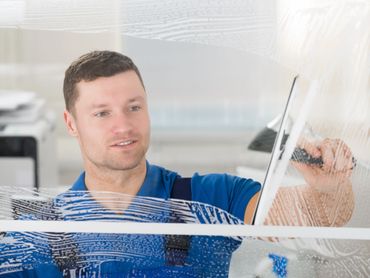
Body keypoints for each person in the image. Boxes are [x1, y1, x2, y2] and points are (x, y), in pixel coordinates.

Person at [0, 50, 354, 277]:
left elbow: (317, 216)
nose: (123, 125)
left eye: (134, 107)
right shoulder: (36, 234)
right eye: (102, 113)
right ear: (71, 123)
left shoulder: (207, 198)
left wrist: (329, 187)